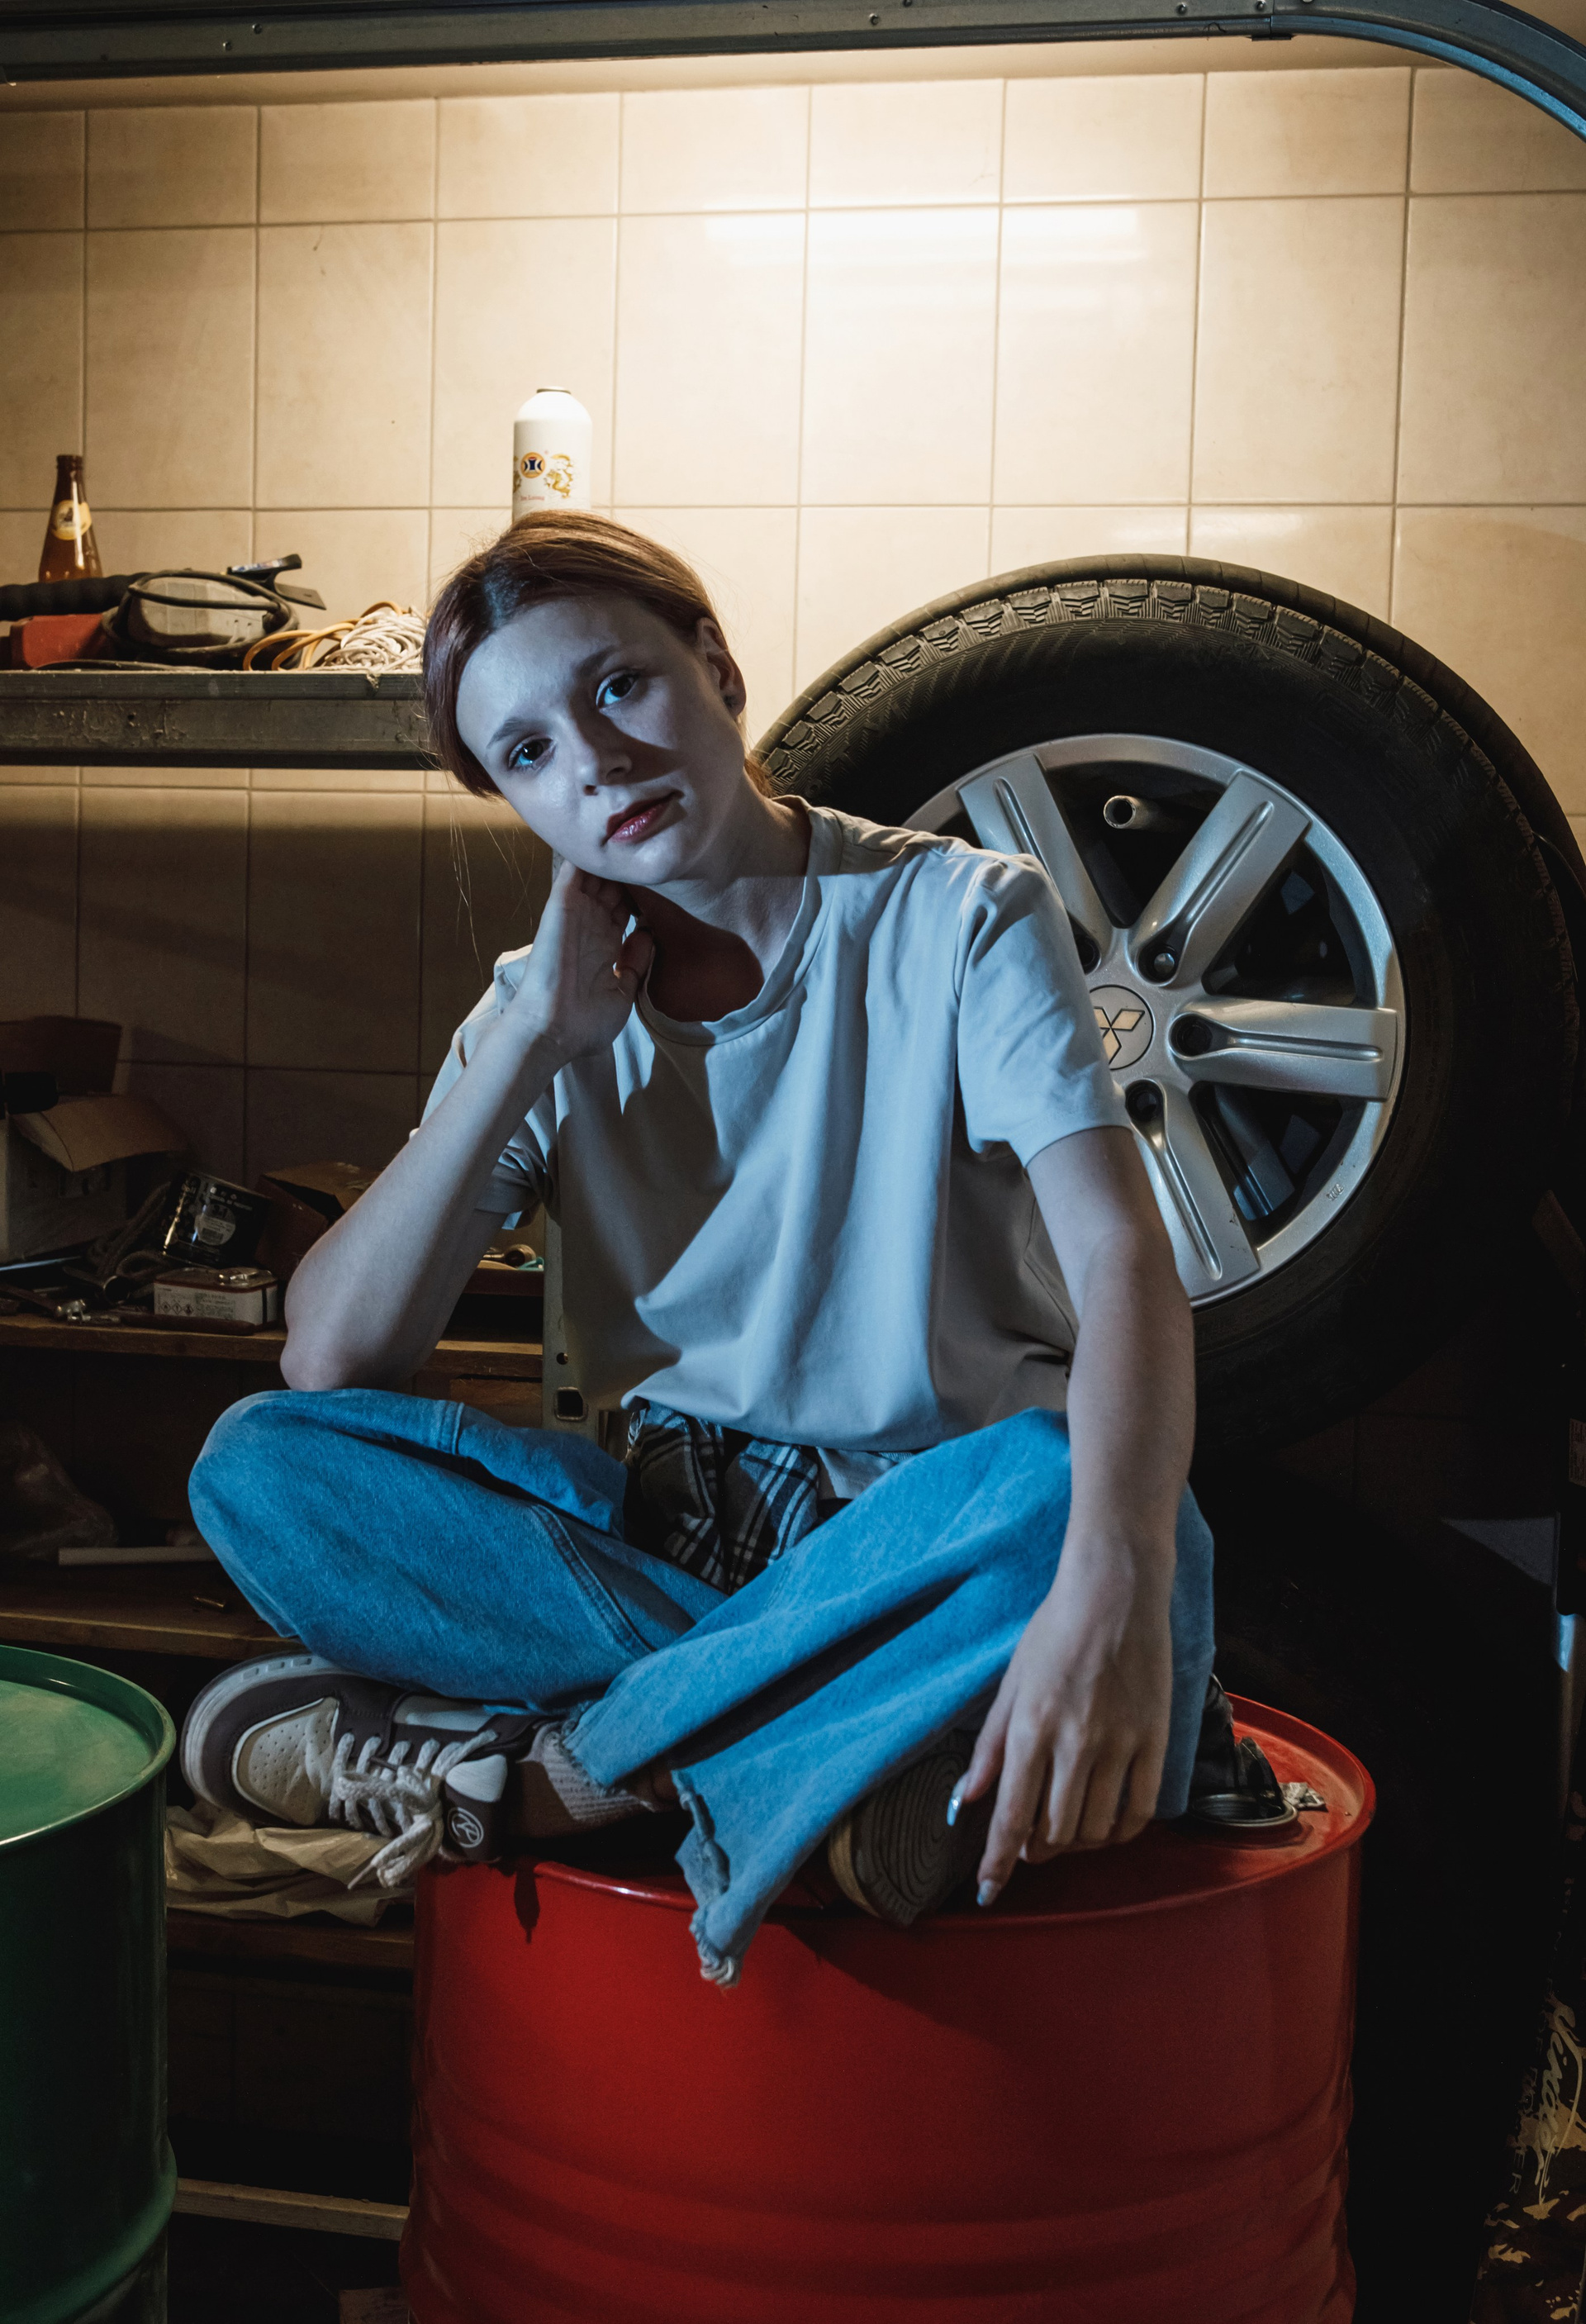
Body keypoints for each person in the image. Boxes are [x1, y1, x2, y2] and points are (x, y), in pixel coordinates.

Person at [180, 512, 1274, 1991]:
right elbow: (332, 1354)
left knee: (1072, 1495)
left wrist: (1116, 1576)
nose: (594, 761)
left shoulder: (959, 916)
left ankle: (563, 1777)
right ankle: (834, 1751)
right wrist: (529, 1043)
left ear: (717, 668)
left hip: (929, 1532)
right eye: (527, 753)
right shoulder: (544, 1005)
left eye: (619, 686)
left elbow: (1125, 1263)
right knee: (258, 1464)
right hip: (675, 1539)